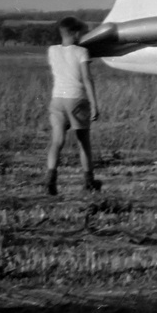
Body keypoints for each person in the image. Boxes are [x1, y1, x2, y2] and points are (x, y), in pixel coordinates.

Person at [45, 16, 100, 195]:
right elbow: (87, 78)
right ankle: (89, 181)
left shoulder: (52, 50)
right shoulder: (81, 52)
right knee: (83, 142)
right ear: (76, 33)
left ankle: (50, 181)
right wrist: (94, 104)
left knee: (57, 141)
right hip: (76, 98)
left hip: (57, 99)